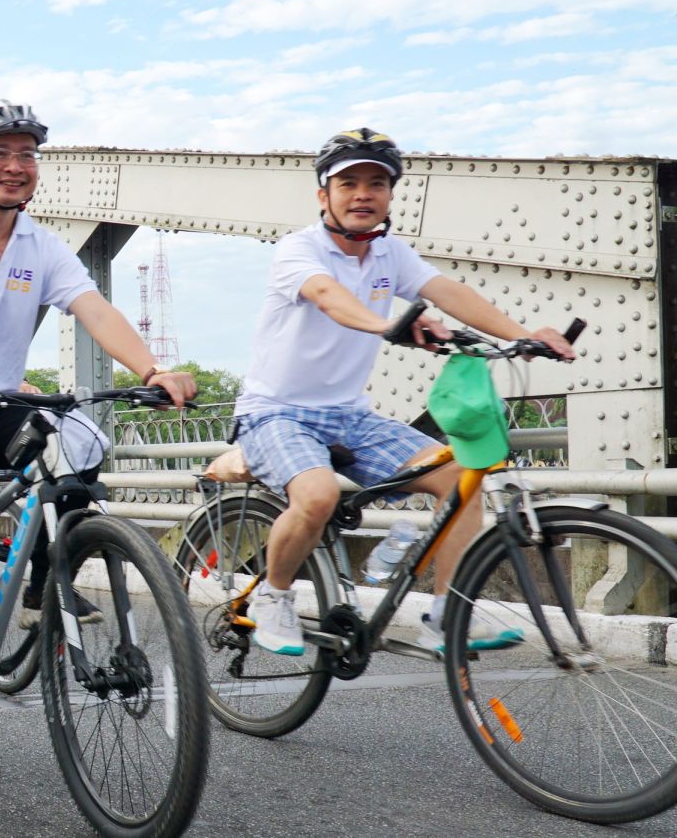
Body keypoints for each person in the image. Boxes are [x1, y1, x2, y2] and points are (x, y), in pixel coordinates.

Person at [0, 100, 196, 741]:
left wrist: (151, 370)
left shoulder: (41, 247)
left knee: (80, 447)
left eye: (27, 155)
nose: (16, 167)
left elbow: (94, 310)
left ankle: (38, 590)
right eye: (1, 154)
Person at [236, 127, 575, 656]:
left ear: (391, 196)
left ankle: (446, 614)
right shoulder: (299, 249)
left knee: (462, 477)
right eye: (347, 183)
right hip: (277, 413)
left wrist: (524, 336)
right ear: (323, 195)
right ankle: (272, 598)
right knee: (318, 496)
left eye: (377, 183)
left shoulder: (391, 254)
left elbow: (448, 292)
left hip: (350, 416)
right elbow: (326, 296)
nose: (363, 194)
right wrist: (386, 324)